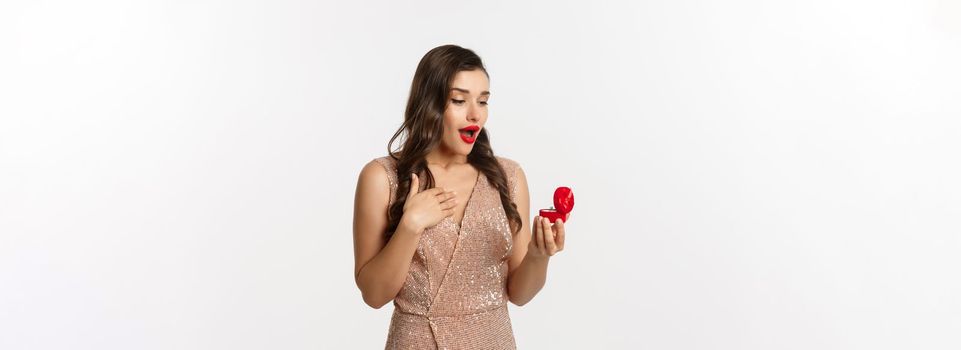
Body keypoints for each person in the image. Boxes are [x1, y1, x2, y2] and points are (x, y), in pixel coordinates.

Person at [352, 44, 568, 349]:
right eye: (458, 100)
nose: (475, 114)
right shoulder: (382, 177)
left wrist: (538, 254)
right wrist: (410, 226)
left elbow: (519, 294)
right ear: (428, 103)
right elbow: (373, 295)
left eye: (483, 101)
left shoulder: (508, 177)